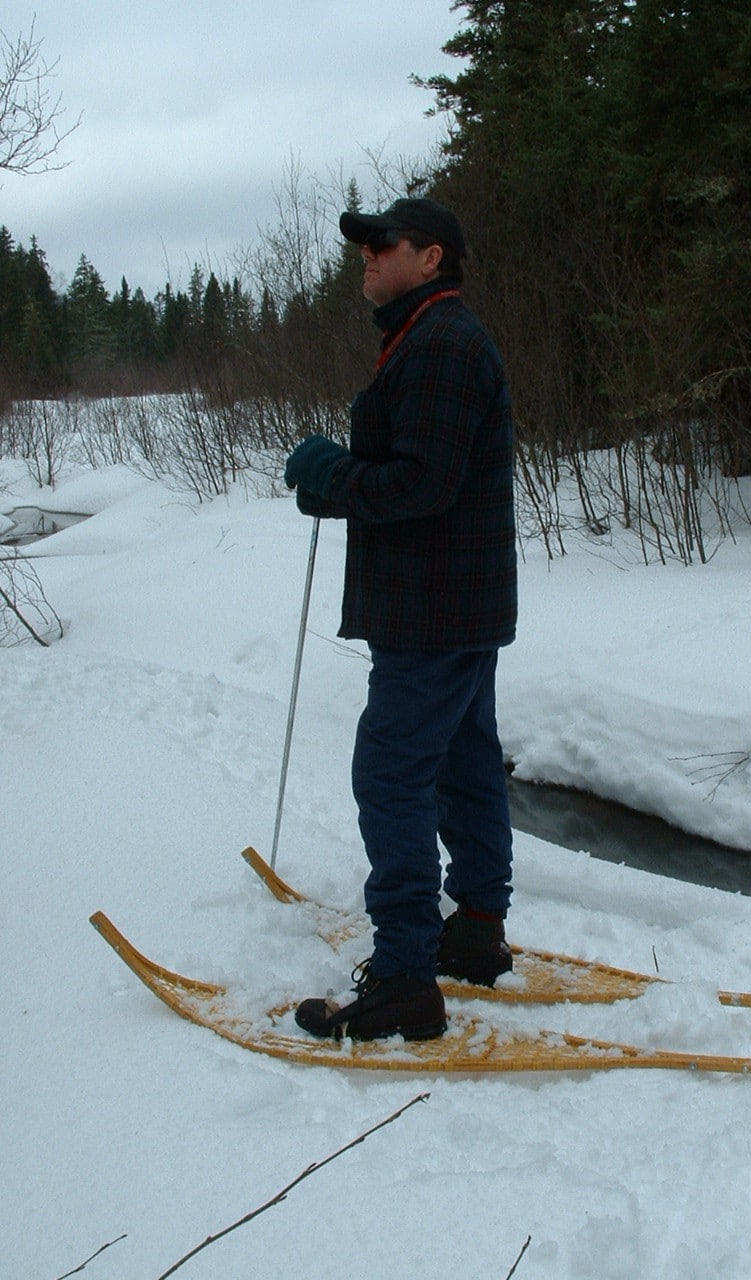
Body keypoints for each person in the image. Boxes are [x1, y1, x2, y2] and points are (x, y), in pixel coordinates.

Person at [283, 197, 518, 1042]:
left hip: (435, 609)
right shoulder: (424, 337)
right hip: (448, 603)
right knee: (462, 761)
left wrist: (331, 476)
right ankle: (478, 931)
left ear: (431, 258)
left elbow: (423, 484)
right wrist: (341, 474)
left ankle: (408, 977)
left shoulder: (444, 345)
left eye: (382, 244)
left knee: (390, 776)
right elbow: (419, 471)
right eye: (365, 247)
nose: (366, 257)